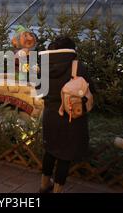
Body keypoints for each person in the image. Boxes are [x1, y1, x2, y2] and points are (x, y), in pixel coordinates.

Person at [38, 36, 95, 193]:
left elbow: (39, 90)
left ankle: (44, 185)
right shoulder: (78, 67)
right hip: (72, 117)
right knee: (65, 155)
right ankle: (57, 190)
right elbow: (91, 90)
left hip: (50, 116)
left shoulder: (44, 65)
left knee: (50, 150)